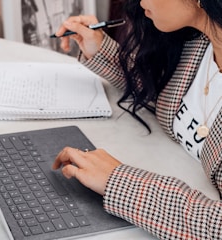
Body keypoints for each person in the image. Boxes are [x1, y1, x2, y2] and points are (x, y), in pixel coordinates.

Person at [52, 0, 222, 239]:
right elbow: (164, 95)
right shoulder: (201, 42)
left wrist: (119, 182)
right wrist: (100, 48)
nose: (141, 2)